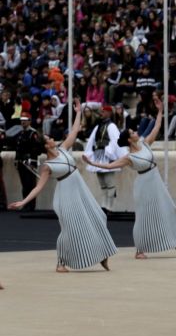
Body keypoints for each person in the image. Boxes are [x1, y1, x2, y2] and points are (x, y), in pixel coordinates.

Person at [8, 101, 117, 272]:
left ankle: (102, 254)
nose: (52, 139)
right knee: (69, 230)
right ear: (46, 145)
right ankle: (61, 262)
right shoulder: (47, 166)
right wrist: (23, 202)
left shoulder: (64, 148)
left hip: (80, 192)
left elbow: (74, 131)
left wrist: (78, 112)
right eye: (49, 139)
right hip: (65, 196)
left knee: (98, 217)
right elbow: (38, 188)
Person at [82, 99, 176, 259]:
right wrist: (91, 162)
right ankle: (140, 249)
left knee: (170, 208)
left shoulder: (145, 143)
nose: (136, 132)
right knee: (144, 217)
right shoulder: (129, 157)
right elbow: (110, 166)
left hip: (155, 181)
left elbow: (157, 127)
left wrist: (160, 111)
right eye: (133, 132)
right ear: (130, 139)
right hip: (143, 184)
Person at [84, 104, 127, 211]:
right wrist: (89, 153)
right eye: (101, 112)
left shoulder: (111, 126)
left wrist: (110, 153)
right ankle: (104, 205)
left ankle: (110, 206)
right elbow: (92, 140)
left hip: (107, 156)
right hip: (98, 155)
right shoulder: (98, 126)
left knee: (109, 182)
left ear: (109, 113)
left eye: (103, 112)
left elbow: (115, 140)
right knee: (102, 183)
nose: (101, 113)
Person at [14, 115, 44, 211]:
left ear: (29, 121)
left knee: (30, 184)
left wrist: (30, 156)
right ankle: (25, 203)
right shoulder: (21, 133)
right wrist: (16, 159)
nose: (23, 122)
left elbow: (38, 149)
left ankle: (31, 205)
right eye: (21, 120)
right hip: (21, 162)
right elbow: (18, 149)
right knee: (24, 184)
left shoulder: (33, 133)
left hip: (29, 162)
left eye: (25, 120)